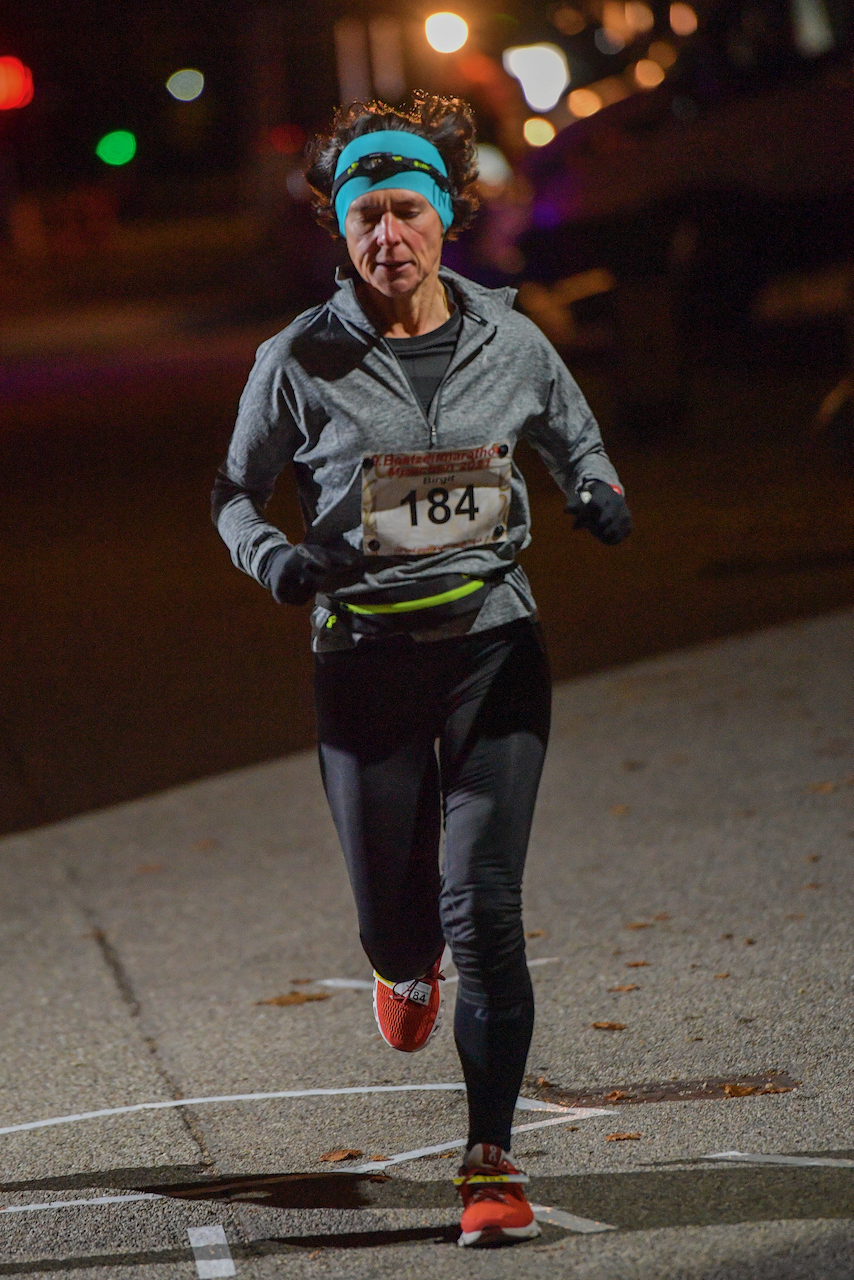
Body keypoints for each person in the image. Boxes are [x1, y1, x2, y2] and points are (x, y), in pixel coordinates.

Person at [212, 91, 631, 1249]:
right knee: (397, 926)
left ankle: (488, 1158)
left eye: (406, 210)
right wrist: (278, 559)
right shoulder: (296, 358)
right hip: (364, 665)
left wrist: (596, 494)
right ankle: (405, 966)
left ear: (447, 217)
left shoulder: (514, 337)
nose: (385, 235)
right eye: (363, 217)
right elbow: (233, 491)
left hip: (495, 648)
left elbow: (571, 435)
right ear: (338, 233)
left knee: (483, 905)